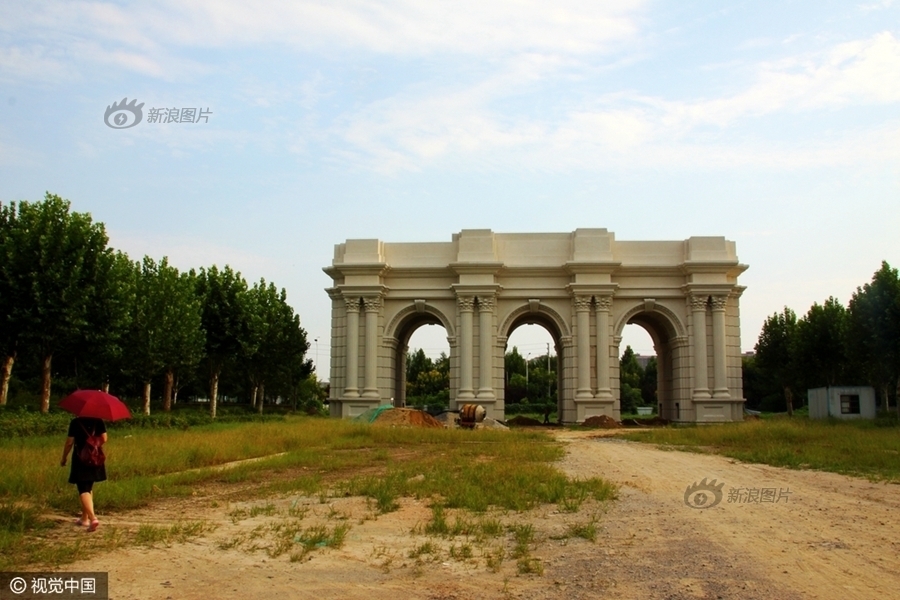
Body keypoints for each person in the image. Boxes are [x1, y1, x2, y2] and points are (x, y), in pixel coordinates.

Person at [60, 416, 108, 532]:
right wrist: (93, 444)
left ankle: (93, 519)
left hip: (80, 458)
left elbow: (69, 442)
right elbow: (104, 438)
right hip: (95, 457)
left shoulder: (75, 422)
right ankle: (84, 518)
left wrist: (64, 457)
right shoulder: (98, 420)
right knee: (89, 487)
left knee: (83, 490)